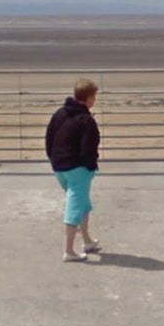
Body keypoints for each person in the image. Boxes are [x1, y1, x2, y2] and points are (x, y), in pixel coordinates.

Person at [45, 78, 102, 262]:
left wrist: (53, 158)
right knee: (74, 208)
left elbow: (49, 138)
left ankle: (87, 240)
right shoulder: (86, 120)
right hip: (77, 169)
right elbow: (89, 148)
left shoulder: (59, 113)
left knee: (83, 203)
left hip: (59, 167)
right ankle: (69, 250)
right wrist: (90, 166)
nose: (95, 99)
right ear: (88, 97)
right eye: (94, 96)